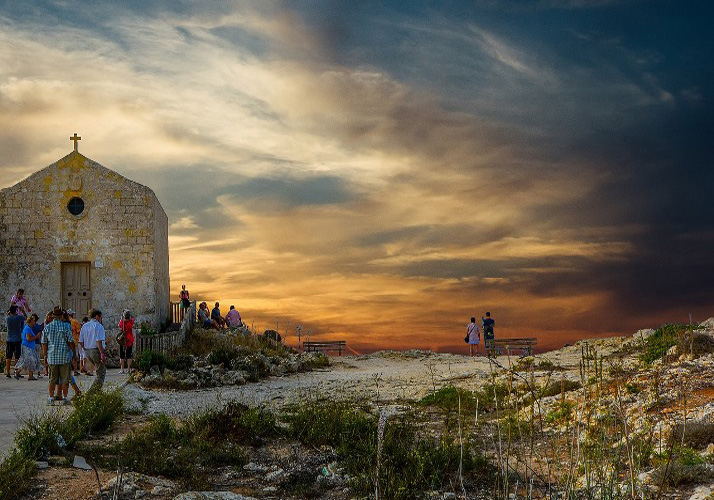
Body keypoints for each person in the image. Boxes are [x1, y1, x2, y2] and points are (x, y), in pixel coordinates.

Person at [41, 307, 75, 405]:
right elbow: (71, 341)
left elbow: (44, 343)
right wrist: (74, 354)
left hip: (52, 357)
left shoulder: (47, 327)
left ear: (53, 316)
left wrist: (45, 356)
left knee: (52, 379)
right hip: (64, 356)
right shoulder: (66, 326)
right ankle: (64, 398)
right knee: (65, 379)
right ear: (61, 316)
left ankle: (51, 398)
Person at [79, 309, 107, 394]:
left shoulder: (85, 326)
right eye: (100, 316)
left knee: (98, 371)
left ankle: (97, 391)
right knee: (101, 373)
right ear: (97, 316)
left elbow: (80, 341)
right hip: (96, 351)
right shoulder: (99, 326)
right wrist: (102, 354)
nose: (101, 318)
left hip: (87, 351)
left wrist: (86, 349)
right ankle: (92, 393)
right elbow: (99, 342)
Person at [13, 314, 43, 380]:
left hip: (29, 347)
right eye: (33, 321)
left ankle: (29, 375)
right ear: (31, 321)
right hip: (27, 347)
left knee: (29, 361)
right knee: (30, 361)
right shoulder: (28, 329)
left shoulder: (28, 328)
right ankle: (19, 372)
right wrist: (37, 336)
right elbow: (28, 339)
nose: (34, 323)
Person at [5, 306, 24, 378]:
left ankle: (8, 372)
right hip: (17, 339)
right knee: (17, 356)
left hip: (9, 339)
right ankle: (16, 372)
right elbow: (25, 317)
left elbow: (7, 314)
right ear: (16, 311)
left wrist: (9, 312)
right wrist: (22, 310)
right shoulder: (19, 317)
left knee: (8, 356)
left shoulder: (8, 318)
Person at [67, 309, 82, 376]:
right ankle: (75, 371)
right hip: (74, 341)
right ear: (72, 314)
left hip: (66, 342)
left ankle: (67, 371)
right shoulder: (75, 321)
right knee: (74, 357)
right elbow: (79, 331)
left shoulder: (65, 322)